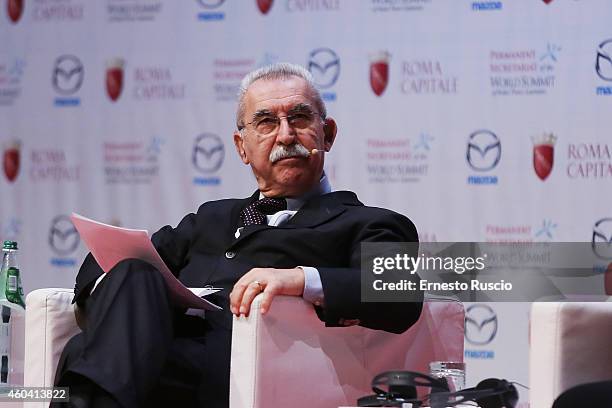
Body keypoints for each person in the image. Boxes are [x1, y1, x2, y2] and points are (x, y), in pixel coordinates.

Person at [53, 62, 423, 408]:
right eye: (265, 122)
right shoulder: (210, 217)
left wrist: (299, 278)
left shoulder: (369, 222)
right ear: (242, 147)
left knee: (82, 356)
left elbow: (397, 293)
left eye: (299, 117)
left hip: (232, 371)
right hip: (155, 354)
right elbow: (103, 263)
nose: (285, 134)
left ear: (327, 135)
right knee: (133, 271)